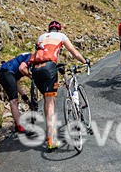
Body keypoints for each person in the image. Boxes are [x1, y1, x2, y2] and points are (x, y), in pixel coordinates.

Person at [29, 20, 90, 151]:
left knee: (47, 100)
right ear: (59, 29)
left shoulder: (41, 37)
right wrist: (85, 61)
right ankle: (51, 140)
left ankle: (50, 133)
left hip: (35, 70)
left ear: (49, 29)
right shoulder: (61, 36)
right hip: (49, 67)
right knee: (50, 103)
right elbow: (74, 53)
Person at [0, 52, 32, 133]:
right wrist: (31, 76)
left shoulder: (26, 57)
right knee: (14, 100)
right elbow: (22, 68)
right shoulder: (30, 57)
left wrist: (23, 95)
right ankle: (19, 125)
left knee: (14, 99)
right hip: (6, 73)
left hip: (5, 73)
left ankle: (18, 125)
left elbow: (15, 82)